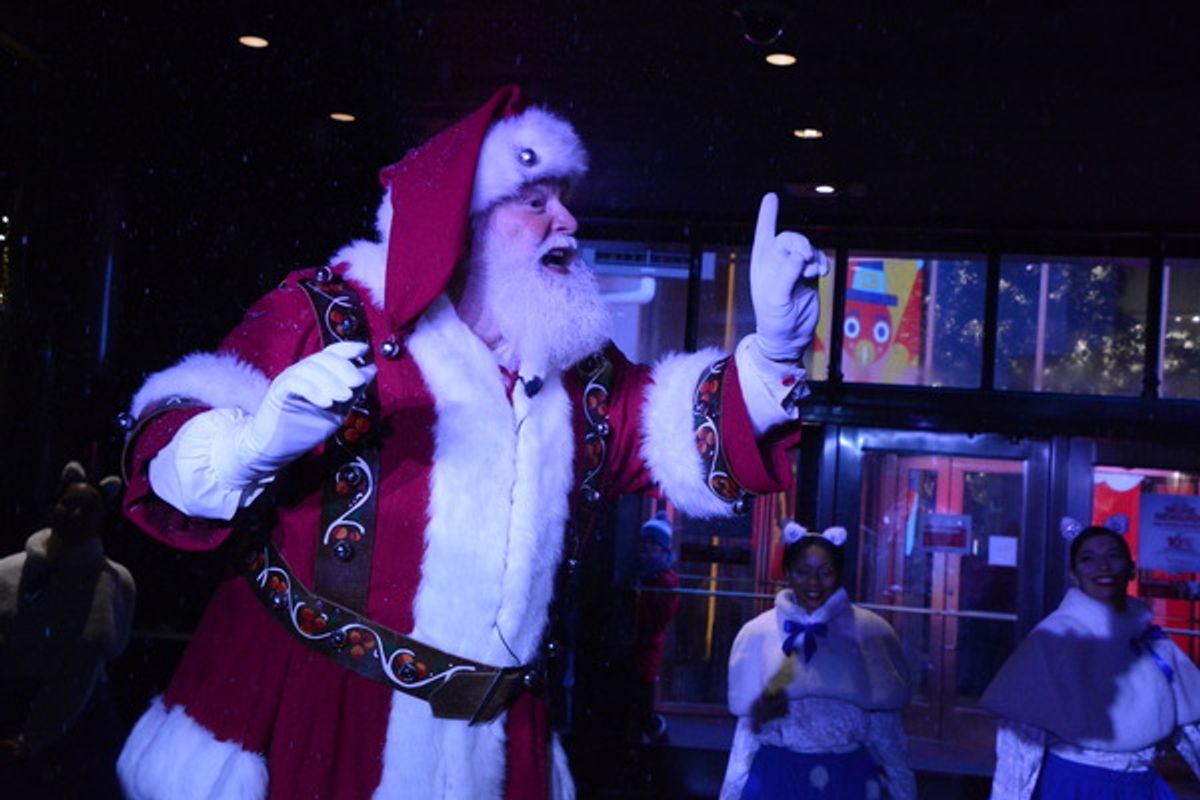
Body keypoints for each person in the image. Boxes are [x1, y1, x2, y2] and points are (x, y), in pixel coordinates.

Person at [114, 84, 829, 800]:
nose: (569, 222)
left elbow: (673, 433)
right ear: (464, 221)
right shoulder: (331, 315)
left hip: (497, 740)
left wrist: (770, 352)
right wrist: (250, 446)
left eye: (565, 198)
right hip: (320, 722)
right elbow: (170, 436)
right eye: (537, 201)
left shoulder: (576, 375)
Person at [982, 517, 1200, 800]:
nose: (1103, 566)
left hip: (1141, 788)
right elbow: (1019, 743)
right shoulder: (1054, 638)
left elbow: (1191, 728)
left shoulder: (1151, 640)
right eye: (1088, 559)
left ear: (1131, 569)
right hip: (1075, 787)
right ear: (1074, 573)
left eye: (1113, 556)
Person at [719, 522, 915, 800]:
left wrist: (903, 791)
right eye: (802, 572)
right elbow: (747, 735)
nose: (813, 583)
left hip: (849, 779)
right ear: (787, 573)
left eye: (825, 573)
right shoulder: (758, 634)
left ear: (838, 574)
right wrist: (730, 793)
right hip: (776, 777)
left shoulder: (871, 633)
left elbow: (888, 737)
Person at [0, 461, 134, 798]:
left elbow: (105, 650)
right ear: (52, 507)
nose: (76, 514)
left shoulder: (115, 582)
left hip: (86, 717)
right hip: (11, 706)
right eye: (69, 503)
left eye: (88, 508)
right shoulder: (7, 572)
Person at [627, 512, 681, 743]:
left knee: (642, 707)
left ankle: (660, 746)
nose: (647, 549)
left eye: (653, 544)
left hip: (646, 649)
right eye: (645, 543)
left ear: (663, 549)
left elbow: (658, 618)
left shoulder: (664, 580)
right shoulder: (645, 575)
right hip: (637, 648)